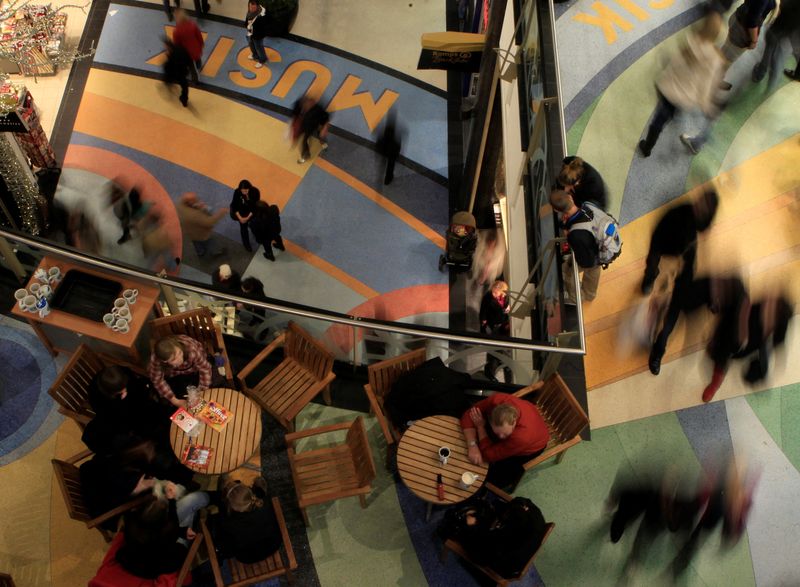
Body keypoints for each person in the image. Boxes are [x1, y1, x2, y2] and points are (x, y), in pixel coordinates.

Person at [638, 13, 726, 157]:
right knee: (671, 112)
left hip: (668, 88)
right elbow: (706, 85)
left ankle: (647, 147)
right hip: (685, 97)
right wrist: (706, 105)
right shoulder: (714, 60)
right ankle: (672, 117)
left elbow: (675, 62)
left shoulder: (691, 42)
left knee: (658, 120)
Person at [648, 276, 749, 396]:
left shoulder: (737, 311)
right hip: (697, 292)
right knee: (670, 323)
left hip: (705, 295)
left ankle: (663, 307)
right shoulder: (735, 303)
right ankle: (658, 349)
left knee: (673, 322)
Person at [116, 483, 209, 579]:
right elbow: (173, 527)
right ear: (164, 522)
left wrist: (181, 531)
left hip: (135, 561)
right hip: (163, 561)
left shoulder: (131, 521)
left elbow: (172, 529)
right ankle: (211, 498)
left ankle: (197, 510)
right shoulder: (168, 532)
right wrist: (172, 500)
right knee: (195, 502)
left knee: (191, 509)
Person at [460, 392, 550, 490]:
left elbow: (488, 456)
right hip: (531, 416)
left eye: (505, 434)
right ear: (490, 418)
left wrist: (480, 427)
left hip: (533, 445)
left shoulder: (521, 438)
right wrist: (472, 445)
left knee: (496, 477)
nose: (501, 438)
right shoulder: (496, 400)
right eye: (497, 433)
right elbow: (469, 415)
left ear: (514, 421)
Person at [81, 365, 174, 455]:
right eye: (121, 391)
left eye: (125, 387)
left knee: (164, 413)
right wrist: (123, 402)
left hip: (139, 404)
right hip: (126, 417)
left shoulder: (122, 373)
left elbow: (137, 386)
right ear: (110, 392)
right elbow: (118, 419)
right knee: (157, 432)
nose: (125, 390)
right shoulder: (98, 399)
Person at [641, 189, 719, 294]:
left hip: (684, 246)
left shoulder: (701, 220)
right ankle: (650, 277)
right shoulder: (678, 213)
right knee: (652, 261)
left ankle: (682, 289)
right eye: (701, 201)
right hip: (663, 241)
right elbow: (659, 232)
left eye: (704, 208)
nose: (699, 205)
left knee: (688, 271)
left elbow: (703, 228)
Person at [208, 476, 282, 564]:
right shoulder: (264, 501)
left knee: (211, 524)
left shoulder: (228, 524)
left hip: (247, 557)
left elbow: (227, 549)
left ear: (232, 507)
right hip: (273, 545)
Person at [549, 189, 601, 303]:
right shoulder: (587, 207)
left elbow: (582, 259)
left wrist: (569, 236)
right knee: (594, 270)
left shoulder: (575, 234)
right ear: (570, 198)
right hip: (602, 249)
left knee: (566, 272)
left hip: (589, 258)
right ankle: (590, 294)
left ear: (556, 209)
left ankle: (577, 297)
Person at [148, 334, 213, 407]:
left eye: (179, 353)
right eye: (174, 359)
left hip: (195, 369)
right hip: (173, 374)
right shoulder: (156, 360)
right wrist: (175, 401)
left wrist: (201, 391)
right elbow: (157, 380)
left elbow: (205, 369)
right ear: (164, 361)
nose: (180, 359)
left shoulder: (192, 350)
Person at [751, 0, 800, 90]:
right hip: (789, 36)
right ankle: (771, 87)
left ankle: (760, 74)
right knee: (778, 61)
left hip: (778, 29)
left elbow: (783, 6)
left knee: (769, 52)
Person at [177, 191, 227, 258]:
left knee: (196, 243)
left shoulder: (179, 206)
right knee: (209, 242)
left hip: (190, 233)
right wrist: (221, 213)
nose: (197, 200)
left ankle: (200, 253)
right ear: (190, 202)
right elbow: (209, 222)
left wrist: (197, 206)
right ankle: (215, 252)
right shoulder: (194, 215)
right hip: (201, 234)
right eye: (195, 200)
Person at [480, 280, 512, 382]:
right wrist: (484, 324)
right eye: (493, 292)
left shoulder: (507, 298)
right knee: (494, 350)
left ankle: (497, 368)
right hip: (492, 326)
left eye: (496, 292)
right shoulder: (488, 297)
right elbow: (483, 311)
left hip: (503, 326)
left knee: (501, 349)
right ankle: (491, 372)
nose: (493, 294)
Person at [292, 94, 330, 164]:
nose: (308, 105)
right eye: (305, 104)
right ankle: (306, 155)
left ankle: (323, 143)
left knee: (320, 134)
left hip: (317, 124)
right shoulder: (299, 105)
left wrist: (325, 127)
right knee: (304, 140)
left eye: (310, 103)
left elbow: (326, 117)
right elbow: (295, 115)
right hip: (306, 125)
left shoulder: (318, 109)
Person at [171, 9, 204, 83]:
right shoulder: (193, 25)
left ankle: (195, 80)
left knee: (192, 67)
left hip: (186, 53)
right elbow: (199, 36)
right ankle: (199, 66)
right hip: (196, 49)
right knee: (197, 59)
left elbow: (177, 44)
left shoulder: (176, 31)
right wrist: (201, 44)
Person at [230, 179, 260, 252]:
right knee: (243, 229)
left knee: (255, 224)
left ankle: (258, 236)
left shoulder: (255, 192)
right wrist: (240, 218)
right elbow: (234, 205)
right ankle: (246, 244)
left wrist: (248, 218)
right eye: (242, 191)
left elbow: (255, 207)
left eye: (246, 190)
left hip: (251, 213)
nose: (244, 192)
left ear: (249, 188)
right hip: (241, 213)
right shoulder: (237, 192)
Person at [162, 38, 191, 107]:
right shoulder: (180, 49)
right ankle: (184, 100)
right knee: (185, 86)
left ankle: (169, 86)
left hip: (175, 73)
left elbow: (167, 67)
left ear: (168, 46)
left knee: (169, 81)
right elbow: (188, 58)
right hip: (183, 72)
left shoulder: (171, 55)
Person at [376, 112, 402, 185]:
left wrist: (378, 148)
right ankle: (388, 179)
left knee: (383, 162)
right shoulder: (397, 132)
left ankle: (381, 174)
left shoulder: (385, 130)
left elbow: (379, 139)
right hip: (392, 153)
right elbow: (398, 143)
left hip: (384, 150)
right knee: (390, 166)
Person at [245, 0, 268, 68]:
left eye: (253, 8)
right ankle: (255, 55)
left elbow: (263, 27)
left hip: (258, 35)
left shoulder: (261, 16)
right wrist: (246, 26)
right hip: (250, 33)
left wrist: (255, 34)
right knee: (251, 44)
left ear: (257, 6)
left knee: (259, 47)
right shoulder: (250, 12)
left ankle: (262, 60)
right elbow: (247, 20)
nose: (251, 9)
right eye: (250, 7)